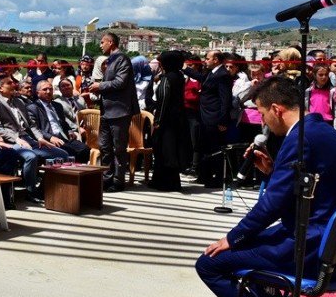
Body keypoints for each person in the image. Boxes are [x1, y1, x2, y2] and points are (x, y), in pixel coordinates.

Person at [196, 77, 336, 297]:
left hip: (307, 245)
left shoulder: (300, 140)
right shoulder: (324, 132)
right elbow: (301, 191)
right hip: (327, 240)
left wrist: (232, 238)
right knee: (248, 254)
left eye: (261, 112)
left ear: (276, 108)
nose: (262, 120)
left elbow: (271, 206)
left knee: (209, 263)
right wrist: (271, 173)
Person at [0, 76, 68, 202]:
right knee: (31, 157)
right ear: (0, 88)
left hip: (28, 138)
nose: (13, 84)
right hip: (9, 141)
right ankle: (31, 192)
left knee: (62, 155)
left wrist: (40, 138)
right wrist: (16, 139)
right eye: (9, 83)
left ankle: (44, 189)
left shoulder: (19, 102)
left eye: (13, 82)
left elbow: (31, 124)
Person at [87, 35, 139, 191]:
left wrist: (100, 86)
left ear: (111, 42)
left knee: (118, 148)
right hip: (106, 110)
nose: (100, 45)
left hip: (119, 111)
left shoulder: (122, 59)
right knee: (105, 147)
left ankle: (118, 181)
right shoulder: (110, 59)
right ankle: (106, 178)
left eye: (102, 42)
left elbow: (120, 82)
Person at [145, 50, 191, 192]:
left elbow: (164, 100)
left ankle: (162, 182)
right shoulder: (179, 76)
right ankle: (172, 182)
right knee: (173, 151)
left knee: (163, 151)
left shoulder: (167, 78)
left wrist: (158, 120)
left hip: (167, 121)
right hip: (178, 119)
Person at [188, 50, 232, 189]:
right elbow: (201, 78)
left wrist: (223, 121)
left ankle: (217, 178)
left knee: (215, 150)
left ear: (216, 60)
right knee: (204, 148)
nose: (205, 61)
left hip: (214, 118)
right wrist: (185, 69)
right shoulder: (211, 73)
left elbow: (226, 100)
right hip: (205, 116)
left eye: (207, 58)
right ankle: (204, 176)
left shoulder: (223, 75)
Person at [27, 80, 90, 162]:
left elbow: (63, 122)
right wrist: (50, 137)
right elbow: (34, 128)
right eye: (45, 89)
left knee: (84, 149)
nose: (48, 91)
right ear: (38, 92)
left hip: (63, 137)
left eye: (50, 89)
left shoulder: (57, 105)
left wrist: (70, 130)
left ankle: (80, 173)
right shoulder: (32, 108)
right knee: (69, 152)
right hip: (48, 140)